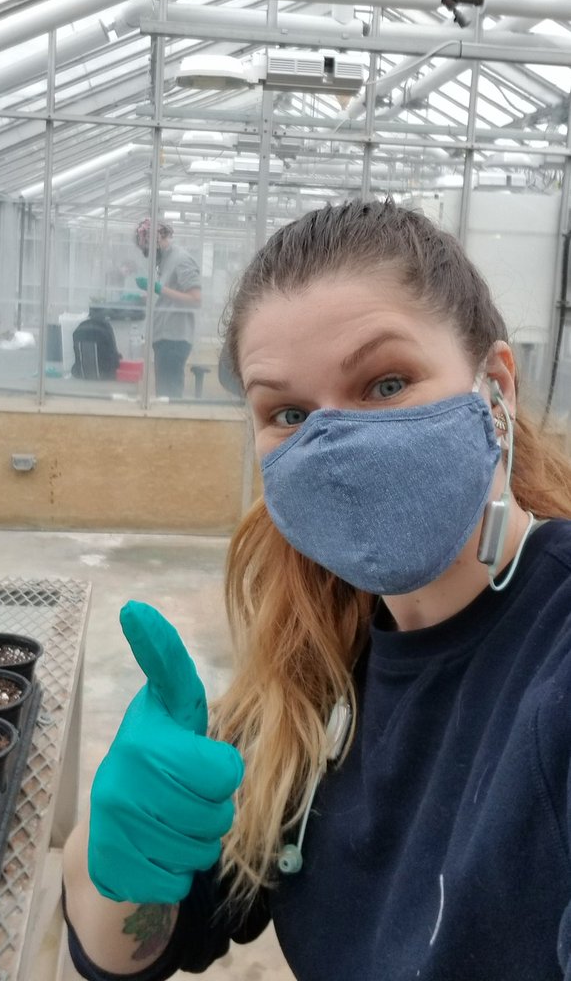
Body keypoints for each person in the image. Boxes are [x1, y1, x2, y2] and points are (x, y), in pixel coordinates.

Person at [62, 198, 571, 980]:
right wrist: (109, 867)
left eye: (385, 382)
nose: (334, 446)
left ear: (493, 389)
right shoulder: (310, 674)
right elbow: (131, 951)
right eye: (288, 412)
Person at [134, 218, 201, 398]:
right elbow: (170, 295)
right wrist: (150, 293)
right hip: (165, 338)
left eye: (147, 248)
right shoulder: (165, 261)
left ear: (158, 239)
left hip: (175, 339)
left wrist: (158, 288)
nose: (147, 254)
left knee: (169, 395)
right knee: (164, 393)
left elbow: (196, 300)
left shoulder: (181, 260)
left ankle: (175, 426)